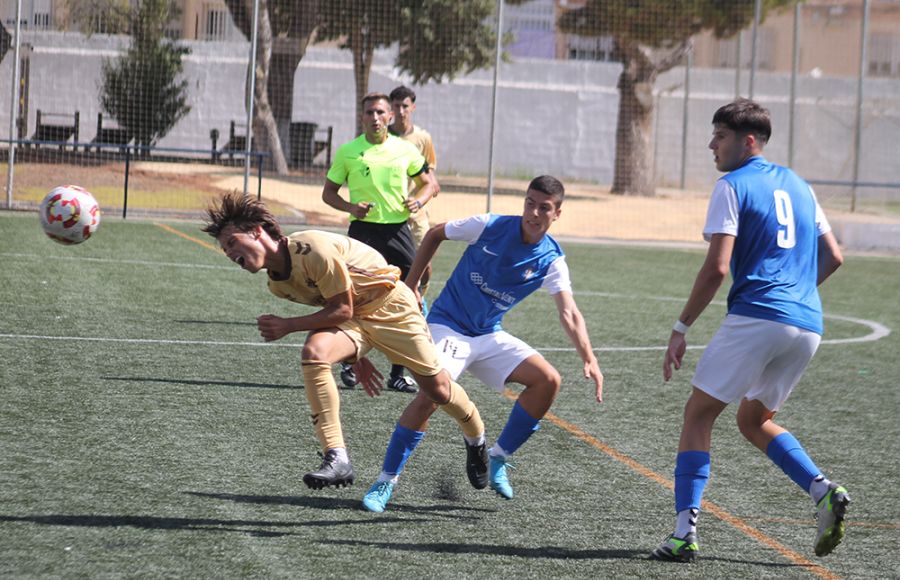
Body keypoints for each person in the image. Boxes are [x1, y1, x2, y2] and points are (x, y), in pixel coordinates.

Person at [652, 99, 847, 562]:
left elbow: (717, 268)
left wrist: (681, 327)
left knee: (699, 415)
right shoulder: (802, 186)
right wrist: (795, 294)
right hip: (807, 324)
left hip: (758, 316)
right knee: (752, 419)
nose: (711, 144)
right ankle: (822, 490)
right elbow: (835, 256)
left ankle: (684, 534)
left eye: (720, 136)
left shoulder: (731, 185)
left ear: (749, 142)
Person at [202, 192, 485, 491]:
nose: (230, 253)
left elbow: (341, 309)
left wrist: (288, 325)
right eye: (225, 250)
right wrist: (355, 356)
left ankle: (475, 436)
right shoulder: (277, 284)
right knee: (315, 352)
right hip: (356, 316)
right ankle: (336, 456)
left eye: (232, 242)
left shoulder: (312, 250)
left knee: (438, 391)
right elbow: (336, 308)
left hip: (391, 305)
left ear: (257, 232)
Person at [357, 175, 604, 513]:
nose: (533, 213)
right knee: (430, 396)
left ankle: (499, 458)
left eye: (543, 208)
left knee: (548, 380)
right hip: (448, 326)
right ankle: (386, 480)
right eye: (529, 203)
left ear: (556, 214)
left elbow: (570, 312)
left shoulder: (551, 259)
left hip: (488, 334)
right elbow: (434, 233)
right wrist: (410, 286)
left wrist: (588, 357)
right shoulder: (489, 225)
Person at [322, 92, 439, 394]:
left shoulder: (405, 150)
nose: (374, 118)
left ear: (390, 117)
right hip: (363, 234)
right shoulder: (349, 152)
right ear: (361, 117)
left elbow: (431, 184)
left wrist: (419, 200)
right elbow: (328, 193)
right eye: (369, 113)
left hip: (398, 233)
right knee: (353, 297)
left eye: (380, 112)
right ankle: (348, 362)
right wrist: (350, 208)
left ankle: (398, 373)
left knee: (407, 296)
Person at [389, 85, 438, 301]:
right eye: (397, 106)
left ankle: (421, 295)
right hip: (389, 212)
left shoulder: (423, 138)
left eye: (405, 106)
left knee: (424, 265)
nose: (401, 111)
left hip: (416, 212)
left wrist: (421, 198)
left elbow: (430, 178)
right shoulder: (382, 137)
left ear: (413, 107)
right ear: (390, 108)